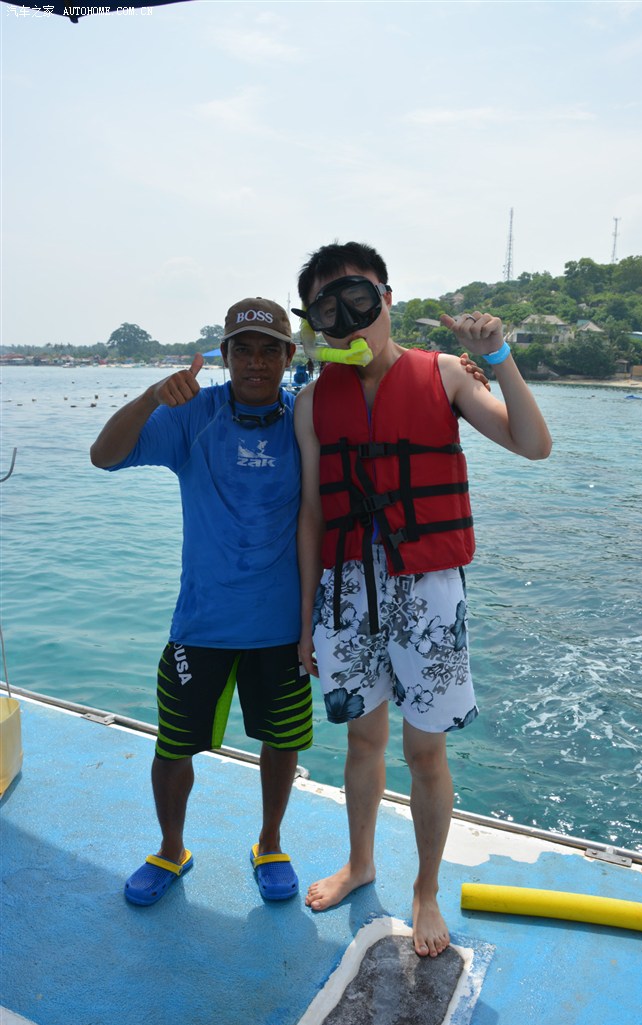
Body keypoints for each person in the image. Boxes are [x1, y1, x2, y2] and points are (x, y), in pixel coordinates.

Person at [293, 241, 552, 958]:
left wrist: (498, 357)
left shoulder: (445, 374)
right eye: (328, 311)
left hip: (427, 587)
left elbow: (534, 444)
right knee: (362, 739)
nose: (348, 321)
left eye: (359, 300)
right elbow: (312, 514)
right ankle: (361, 863)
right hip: (346, 589)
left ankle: (426, 889)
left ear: (387, 299)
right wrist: (306, 620)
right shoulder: (312, 401)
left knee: (425, 750)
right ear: (316, 322)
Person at [90, 298, 313, 906]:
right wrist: (150, 398)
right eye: (244, 350)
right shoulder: (194, 414)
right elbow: (104, 456)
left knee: (282, 741)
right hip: (201, 623)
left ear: (289, 356)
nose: (256, 362)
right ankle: (171, 849)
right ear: (225, 356)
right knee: (173, 746)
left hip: (281, 626)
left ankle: (270, 842)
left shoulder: (306, 418)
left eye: (270, 350)